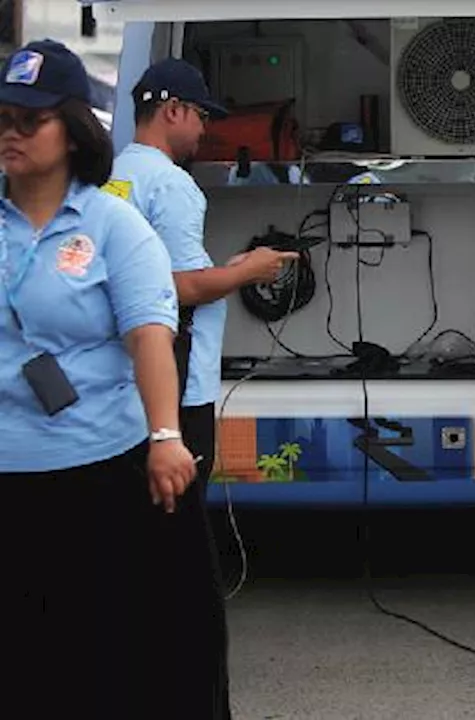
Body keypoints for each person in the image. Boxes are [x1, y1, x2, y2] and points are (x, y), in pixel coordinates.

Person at [0, 39, 209, 717]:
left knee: (95, 649)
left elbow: (151, 332)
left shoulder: (114, 223)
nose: (11, 131)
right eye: (3, 116)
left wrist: (166, 436)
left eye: (30, 119)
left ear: (73, 129)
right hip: (7, 468)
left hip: (96, 469)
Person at [105, 57, 295, 718]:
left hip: (130, 388)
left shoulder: (115, 173)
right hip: (180, 395)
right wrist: (250, 268)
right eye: (202, 117)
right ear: (174, 111)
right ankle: (186, 678)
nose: (206, 132)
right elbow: (182, 287)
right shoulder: (174, 185)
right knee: (182, 544)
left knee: (140, 534)